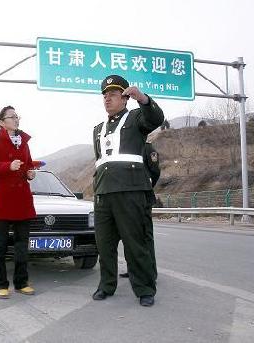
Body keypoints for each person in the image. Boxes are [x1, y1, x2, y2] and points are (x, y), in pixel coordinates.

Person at [92, 74, 164, 307]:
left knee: (135, 243)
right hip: (104, 193)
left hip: (131, 191)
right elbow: (101, 161)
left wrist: (142, 98)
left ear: (124, 98)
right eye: (105, 95)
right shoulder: (97, 129)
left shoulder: (136, 118)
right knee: (105, 245)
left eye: (113, 94)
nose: (107, 99)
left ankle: (144, 289)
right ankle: (106, 285)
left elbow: (156, 118)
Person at [0, 106, 37, 299]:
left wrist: (29, 173)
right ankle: (0, 284)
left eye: (17, 116)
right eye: (12, 117)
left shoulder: (24, 142)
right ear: (1, 122)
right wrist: (9, 165)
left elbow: (29, 164)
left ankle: (21, 282)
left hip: (22, 199)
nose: (16, 119)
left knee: (22, 244)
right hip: (2, 200)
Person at [120, 142, 160, 279]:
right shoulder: (124, 147)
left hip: (143, 196)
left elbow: (155, 171)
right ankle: (133, 269)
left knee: (145, 236)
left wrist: (146, 186)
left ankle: (151, 272)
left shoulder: (147, 147)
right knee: (129, 235)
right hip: (126, 197)